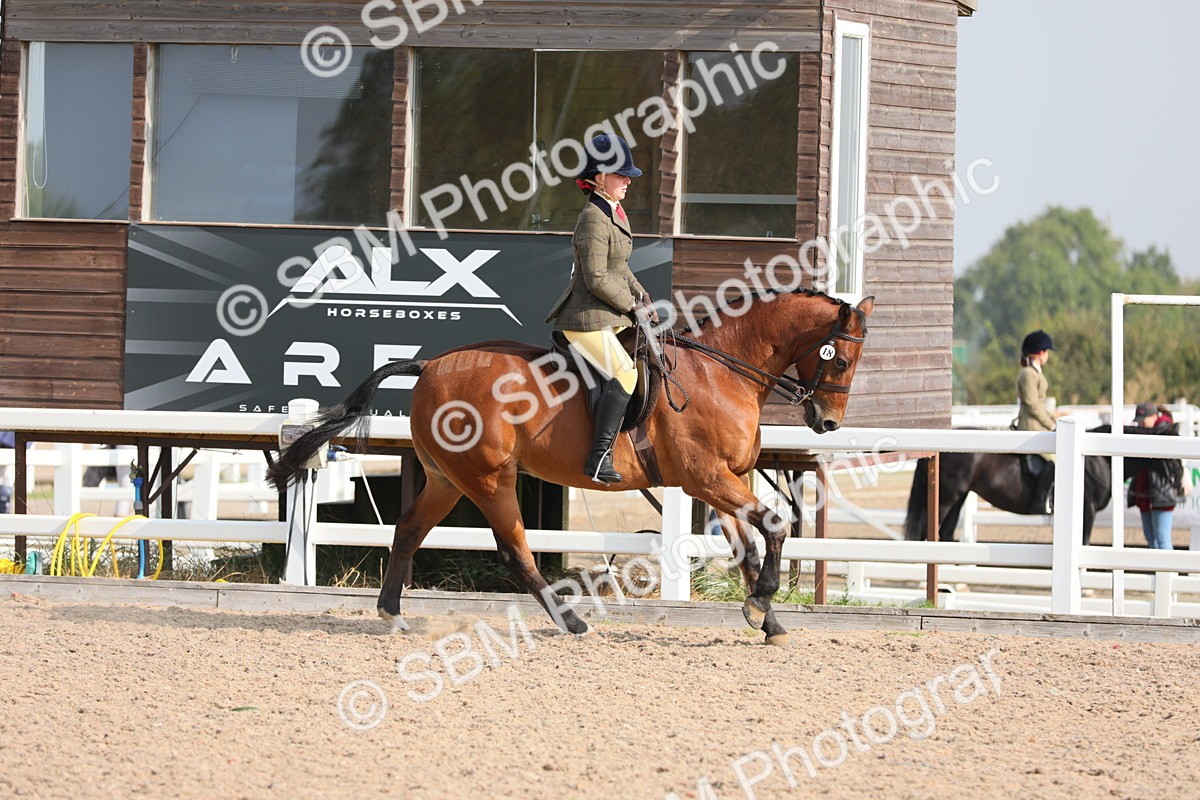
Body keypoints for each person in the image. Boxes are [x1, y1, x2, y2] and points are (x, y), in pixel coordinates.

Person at [545, 133, 657, 485]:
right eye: (621, 174)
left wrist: (643, 297)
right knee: (625, 373)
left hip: (608, 315)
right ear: (597, 178)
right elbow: (594, 278)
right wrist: (631, 306)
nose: (628, 180)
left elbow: (619, 267)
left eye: (627, 175)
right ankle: (598, 456)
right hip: (585, 319)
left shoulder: (612, 213)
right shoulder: (593, 217)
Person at [1015, 330, 1066, 513]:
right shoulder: (1028, 374)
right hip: (1031, 426)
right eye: (1047, 351)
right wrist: (1051, 425)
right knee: (1054, 459)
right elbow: (1032, 404)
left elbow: (1041, 405)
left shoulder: (1034, 372)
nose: (1048, 355)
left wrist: (1055, 418)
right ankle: (1040, 499)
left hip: (1038, 423)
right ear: (1041, 352)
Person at [1127, 401, 1185, 550]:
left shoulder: (1167, 432)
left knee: (1161, 538)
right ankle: (1158, 573)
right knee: (1151, 538)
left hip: (1161, 492)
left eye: (1143, 420)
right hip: (1146, 493)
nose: (1140, 425)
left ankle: (1169, 573)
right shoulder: (1154, 431)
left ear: (1153, 416)